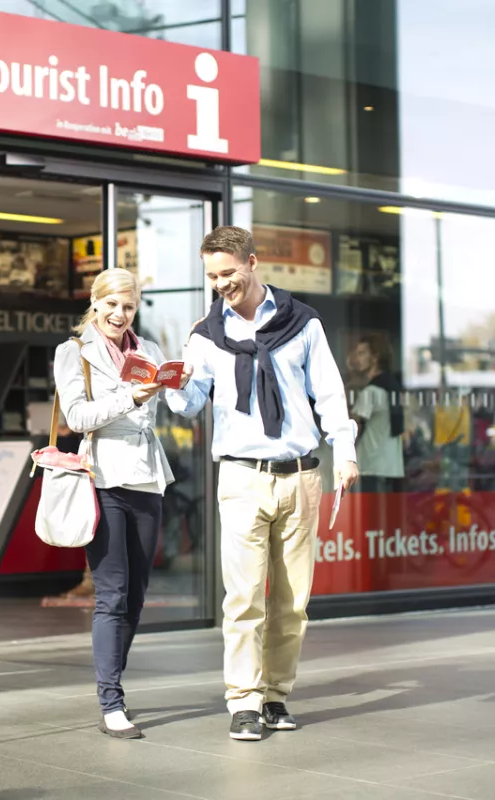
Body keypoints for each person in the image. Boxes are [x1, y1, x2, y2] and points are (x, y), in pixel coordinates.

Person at [166, 226, 358, 741]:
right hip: (241, 476)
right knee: (244, 596)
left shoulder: (302, 322)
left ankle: (276, 695)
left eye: (228, 273)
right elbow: (189, 404)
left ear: (252, 263)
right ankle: (244, 701)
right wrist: (165, 386)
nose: (220, 284)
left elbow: (331, 393)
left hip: (300, 476)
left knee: (292, 602)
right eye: (212, 277)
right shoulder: (205, 334)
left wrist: (346, 453)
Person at [54, 268, 183, 740]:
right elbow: (76, 416)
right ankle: (111, 700)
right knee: (112, 592)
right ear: (95, 301)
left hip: (147, 477)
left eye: (127, 306)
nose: (118, 314)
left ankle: (114, 680)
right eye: (111, 304)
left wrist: (179, 378)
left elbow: (174, 404)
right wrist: (131, 395)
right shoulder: (73, 352)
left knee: (138, 595)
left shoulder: (148, 349)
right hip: (103, 477)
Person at [351, 334, 405, 492]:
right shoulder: (393, 388)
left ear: (375, 357)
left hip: (370, 466)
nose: (357, 359)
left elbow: (354, 425)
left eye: (362, 353)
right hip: (392, 466)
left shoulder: (371, 391)